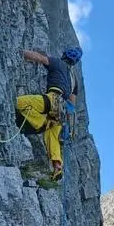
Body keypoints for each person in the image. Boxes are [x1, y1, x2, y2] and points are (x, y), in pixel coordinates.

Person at [15, 46, 82, 180]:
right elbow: (71, 105)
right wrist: (68, 127)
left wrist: (22, 53)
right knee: (53, 137)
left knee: (19, 102)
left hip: (52, 99)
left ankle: (42, 122)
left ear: (64, 55)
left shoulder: (57, 62)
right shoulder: (74, 80)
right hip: (61, 113)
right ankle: (57, 166)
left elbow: (40, 59)